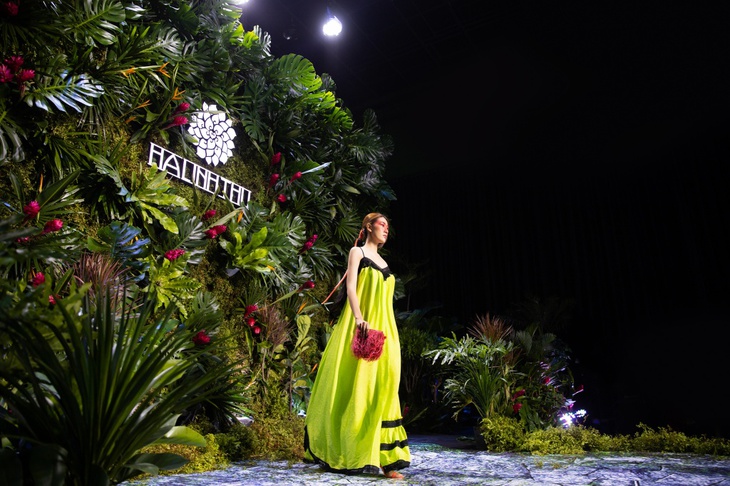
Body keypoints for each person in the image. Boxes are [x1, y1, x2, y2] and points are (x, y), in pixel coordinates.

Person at [303, 213, 410, 479]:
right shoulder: (357, 253)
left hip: (386, 331)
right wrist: (359, 318)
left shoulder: (384, 263)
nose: (386, 228)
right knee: (360, 387)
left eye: (388, 225)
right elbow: (351, 288)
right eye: (382, 224)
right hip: (362, 327)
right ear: (368, 227)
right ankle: (354, 451)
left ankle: (387, 457)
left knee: (386, 386)